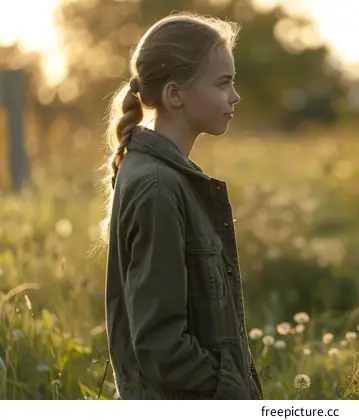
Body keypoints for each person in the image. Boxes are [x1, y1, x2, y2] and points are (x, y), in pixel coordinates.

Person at [99, 12, 263, 400]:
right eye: (224, 83)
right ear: (176, 94)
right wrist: (232, 393)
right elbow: (162, 347)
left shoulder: (169, 177)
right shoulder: (158, 187)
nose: (234, 96)